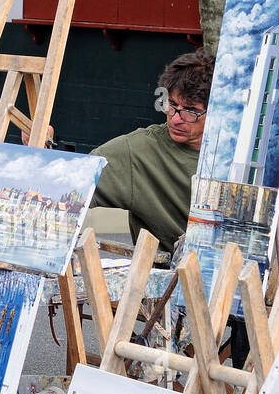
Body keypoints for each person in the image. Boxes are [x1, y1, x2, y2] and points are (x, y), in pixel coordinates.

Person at [90, 51, 214, 254]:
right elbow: (70, 184)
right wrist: (42, 149)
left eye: (190, 111)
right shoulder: (137, 151)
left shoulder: (239, 153)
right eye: (171, 105)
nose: (175, 118)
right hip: (165, 278)